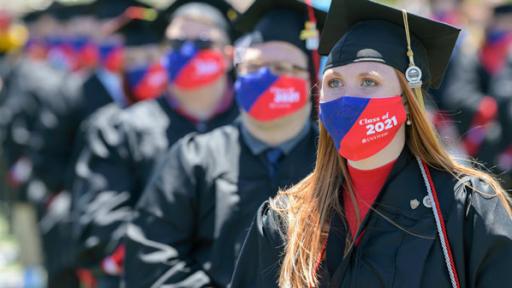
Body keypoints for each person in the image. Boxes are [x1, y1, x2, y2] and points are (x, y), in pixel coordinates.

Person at [230, 0, 512, 287]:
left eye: (368, 82)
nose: (346, 98)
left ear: (406, 101)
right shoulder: (286, 217)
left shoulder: (466, 207)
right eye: (334, 83)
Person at [122, 0, 325, 287]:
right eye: (254, 66)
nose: (266, 77)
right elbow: (151, 257)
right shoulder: (195, 157)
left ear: (310, 81)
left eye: (282, 67)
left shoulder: (333, 160)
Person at [71, 1, 240, 286]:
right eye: (176, 42)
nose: (187, 51)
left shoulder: (254, 129)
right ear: (163, 53)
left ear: (228, 55)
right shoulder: (122, 129)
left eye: (202, 43)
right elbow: (99, 221)